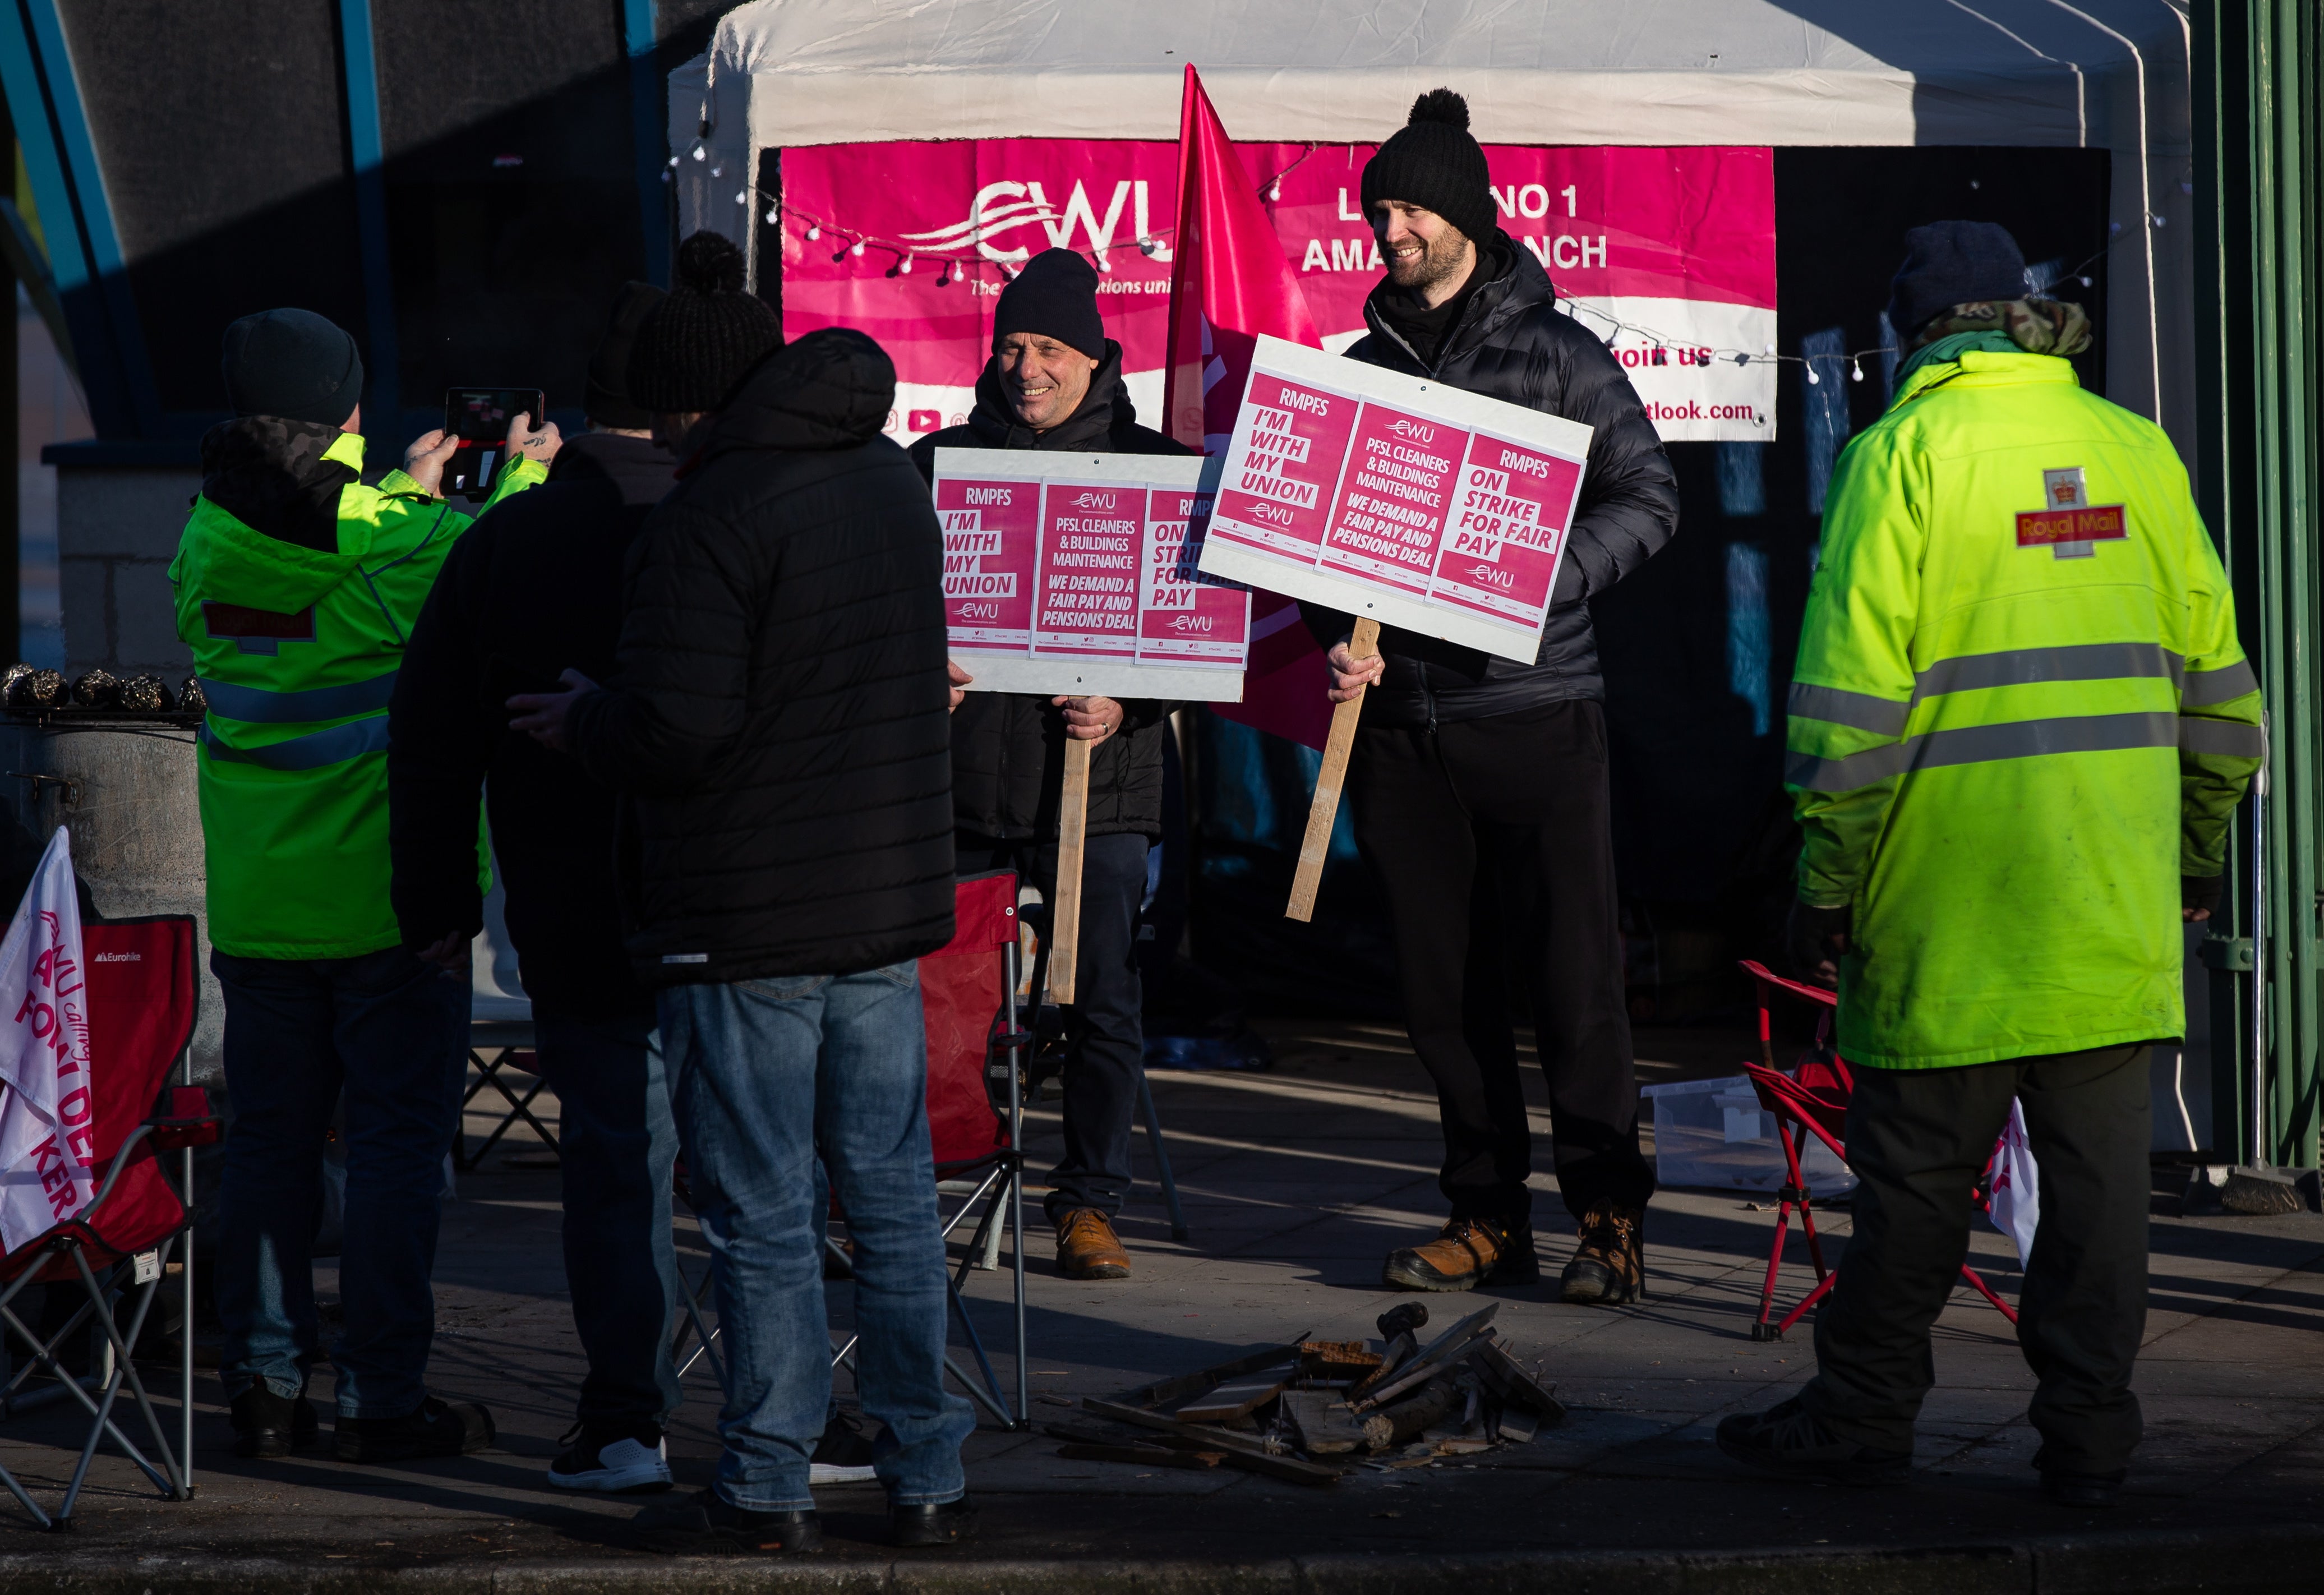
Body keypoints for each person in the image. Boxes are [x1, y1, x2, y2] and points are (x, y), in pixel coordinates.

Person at [1716, 222, 2262, 1507]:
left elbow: (1846, 706)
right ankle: (2090, 1442)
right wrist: (2193, 860)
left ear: (1913, 334)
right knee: (2097, 1204)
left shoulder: (1899, 454)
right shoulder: (2132, 450)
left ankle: (1861, 1419)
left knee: (1912, 1191)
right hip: (2107, 902)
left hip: (1944, 905)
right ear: (2021, 316)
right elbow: (2221, 697)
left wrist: (1825, 884)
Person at [507, 295, 977, 1552]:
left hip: (748, 915)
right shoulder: (888, 479)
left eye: (663, 408)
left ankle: (768, 1480)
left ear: (689, 402)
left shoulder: (710, 513)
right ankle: (926, 1471)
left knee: (763, 1210)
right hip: (879, 901)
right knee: (891, 1198)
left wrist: (585, 718)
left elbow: (680, 731)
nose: (656, 431)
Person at [169, 306, 554, 1463]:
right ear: (345, 408)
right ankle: (383, 1396)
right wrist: (518, 475)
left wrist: (399, 488)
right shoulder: (406, 536)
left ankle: (263, 1384)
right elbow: (484, 563)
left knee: (269, 1149)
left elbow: (315, 555)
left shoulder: (204, 536)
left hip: (259, 905)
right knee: (392, 1152)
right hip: (391, 907)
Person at [1313, 89, 1677, 1303]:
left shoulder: (1559, 355)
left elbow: (1649, 498)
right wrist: (1337, 640)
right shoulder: (1360, 373)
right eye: (1378, 211)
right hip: (1402, 731)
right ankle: (1484, 1217)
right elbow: (1321, 553)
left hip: (1536, 715)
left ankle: (1606, 1219)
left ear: (1466, 216)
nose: (1390, 230)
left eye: (1410, 209)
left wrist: (1534, 579)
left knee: (1574, 987)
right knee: (1442, 1001)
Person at [388, 278, 685, 1492]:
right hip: (742, 905)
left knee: (615, 1167)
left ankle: (624, 1420)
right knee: (769, 1175)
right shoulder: (733, 517)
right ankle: (788, 1427)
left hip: (573, 907)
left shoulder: (510, 537)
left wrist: (437, 905)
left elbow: (430, 737)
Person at [907, 247, 1190, 1283]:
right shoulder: (937, 468)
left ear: (1096, 357)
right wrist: (915, 669)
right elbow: (884, 604)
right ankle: (915, 1192)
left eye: (1050, 349)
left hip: (1099, 790)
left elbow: (1196, 637)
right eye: (1012, 346)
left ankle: (1089, 1204)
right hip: (960, 785)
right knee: (934, 1001)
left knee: (1101, 1000)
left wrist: (1130, 702)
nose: (1027, 368)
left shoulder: (1155, 470)